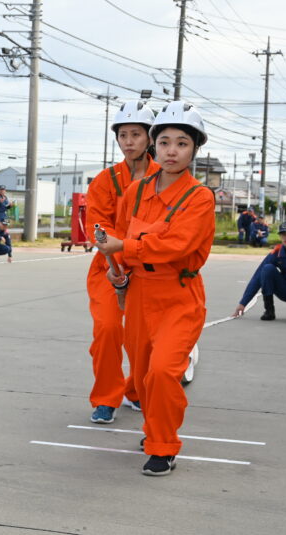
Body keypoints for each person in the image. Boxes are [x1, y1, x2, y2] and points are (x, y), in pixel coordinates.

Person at [98, 101, 216, 476]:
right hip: (139, 294)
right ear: (154, 146)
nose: (171, 150)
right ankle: (154, 429)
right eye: (164, 142)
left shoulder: (200, 197)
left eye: (182, 143)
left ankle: (164, 446)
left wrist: (125, 248)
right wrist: (117, 271)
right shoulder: (136, 191)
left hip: (179, 295)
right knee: (145, 375)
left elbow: (177, 245)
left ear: (195, 149)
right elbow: (120, 237)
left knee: (164, 371)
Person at [84, 100, 160, 424]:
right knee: (108, 329)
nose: (129, 142)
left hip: (147, 269)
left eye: (136, 134)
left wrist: (133, 254)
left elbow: (164, 227)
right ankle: (105, 397)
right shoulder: (104, 181)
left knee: (143, 339)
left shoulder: (167, 178)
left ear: (150, 138)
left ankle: (136, 391)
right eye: (123, 135)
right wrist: (116, 261)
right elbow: (97, 228)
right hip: (108, 268)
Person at [233, 221, 286, 322]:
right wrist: (243, 303)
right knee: (267, 269)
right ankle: (269, 310)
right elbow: (257, 276)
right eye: (283, 234)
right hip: (283, 287)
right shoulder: (277, 251)